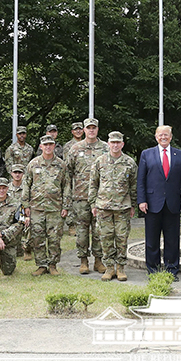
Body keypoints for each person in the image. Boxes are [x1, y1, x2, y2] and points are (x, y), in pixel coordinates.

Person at [136, 125, 181, 279]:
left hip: (173, 203)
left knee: (172, 240)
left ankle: (171, 270)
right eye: (160, 135)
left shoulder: (180, 155)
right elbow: (141, 180)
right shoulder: (147, 154)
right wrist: (141, 200)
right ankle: (153, 270)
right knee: (152, 239)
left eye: (166, 134)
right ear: (156, 137)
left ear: (171, 137)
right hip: (152, 203)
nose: (163, 137)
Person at [89, 131, 138, 282]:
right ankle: (109, 268)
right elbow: (93, 183)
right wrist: (92, 203)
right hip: (103, 207)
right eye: (113, 142)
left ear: (122, 144)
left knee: (122, 239)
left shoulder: (129, 163)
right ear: (108, 144)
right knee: (106, 238)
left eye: (118, 142)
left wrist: (133, 205)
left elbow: (134, 186)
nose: (115, 145)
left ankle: (121, 267)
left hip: (122, 207)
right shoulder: (99, 161)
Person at [66, 118, 110, 275]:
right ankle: (83, 261)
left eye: (94, 128)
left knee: (99, 231)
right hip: (81, 197)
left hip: (100, 197)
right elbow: (68, 173)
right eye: (88, 128)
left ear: (97, 129)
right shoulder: (75, 149)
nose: (91, 130)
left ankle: (98, 261)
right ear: (84, 130)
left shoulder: (106, 148)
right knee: (82, 231)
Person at [24, 135, 71, 276]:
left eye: (51, 144)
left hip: (55, 208)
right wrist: (26, 205)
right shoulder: (33, 164)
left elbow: (67, 185)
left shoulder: (61, 165)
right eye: (46, 144)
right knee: (37, 238)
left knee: (54, 238)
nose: (48, 147)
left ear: (55, 145)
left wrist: (66, 206)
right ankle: (41, 265)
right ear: (41, 146)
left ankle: (52, 264)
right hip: (36, 207)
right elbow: (26, 184)